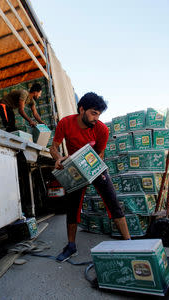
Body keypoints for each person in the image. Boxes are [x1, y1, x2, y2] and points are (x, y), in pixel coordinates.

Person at [50, 92, 131, 262]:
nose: (96, 118)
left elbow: (100, 152)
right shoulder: (65, 123)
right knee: (72, 207)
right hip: (74, 169)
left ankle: (129, 243)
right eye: (93, 113)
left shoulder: (102, 129)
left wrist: (93, 169)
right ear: (81, 109)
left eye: (99, 114)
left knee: (112, 201)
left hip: (94, 167)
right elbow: (54, 147)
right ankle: (71, 246)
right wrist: (58, 159)